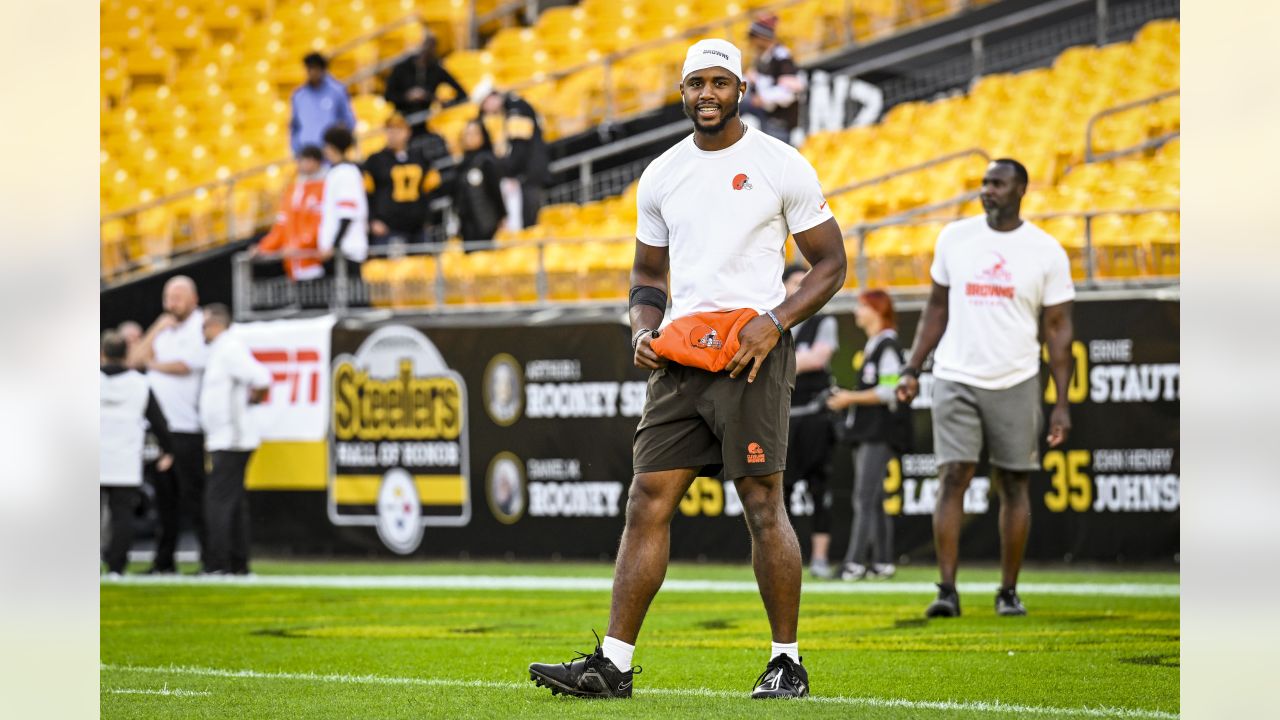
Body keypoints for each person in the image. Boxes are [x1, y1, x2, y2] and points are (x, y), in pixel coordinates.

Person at [528, 38, 846, 700]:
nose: (707, 93)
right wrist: (641, 327)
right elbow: (647, 275)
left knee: (761, 502)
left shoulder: (779, 163)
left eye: (719, 82)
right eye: (695, 82)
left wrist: (777, 320)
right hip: (678, 357)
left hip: (752, 351)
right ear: (681, 93)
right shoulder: (661, 173)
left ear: (741, 90)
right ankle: (611, 665)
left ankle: (786, 661)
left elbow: (832, 265)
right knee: (646, 498)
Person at [897, 159, 1076, 618]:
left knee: (1014, 483)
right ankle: (947, 590)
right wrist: (912, 367)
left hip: (1016, 377)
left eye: (998, 184)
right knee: (952, 477)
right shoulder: (955, 238)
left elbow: (1058, 331)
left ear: (1021, 190)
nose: (987, 190)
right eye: (984, 183)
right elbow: (935, 309)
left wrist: (1059, 404)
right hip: (956, 374)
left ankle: (1008, 591)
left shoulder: (1046, 251)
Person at [127, 276, 209, 573]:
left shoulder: (200, 326)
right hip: (160, 430)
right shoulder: (164, 329)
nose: (172, 303)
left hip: (187, 427)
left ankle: (212, 559)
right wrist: (157, 329)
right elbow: (134, 360)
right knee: (165, 501)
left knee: (194, 497)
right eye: (168, 297)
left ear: (193, 298)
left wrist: (153, 363)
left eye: (178, 296)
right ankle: (164, 560)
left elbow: (185, 365)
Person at [827, 289, 910, 581]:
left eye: (862, 306)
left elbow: (889, 392)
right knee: (873, 499)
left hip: (879, 432)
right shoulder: (877, 343)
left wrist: (851, 398)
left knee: (863, 498)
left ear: (876, 310)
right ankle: (883, 561)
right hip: (869, 432)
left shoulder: (887, 345)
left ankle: (854, 563)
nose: (857, 312)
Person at [198, 304, 272, 576]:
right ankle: (238, 564)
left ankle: (219, 564)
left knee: (217, 501)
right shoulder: (220, 350)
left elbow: (262, 377)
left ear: (216, 324)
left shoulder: (229, 347)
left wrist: (253, 400)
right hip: (224, 438)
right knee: (233, 502)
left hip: (232, 439)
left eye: (204, 325)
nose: (202, 332)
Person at [779, 264, 839, 578]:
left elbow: (819, 358)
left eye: (806, 283)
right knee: (780, 492)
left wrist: (779, 361)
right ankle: (783, 561)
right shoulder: (774, 320)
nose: (800, 289)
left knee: (820, 490)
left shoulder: (823, 320)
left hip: (814, 419)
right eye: (794, 283)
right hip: (783, 418)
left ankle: (819, 559)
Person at [101, 331, 174, 577]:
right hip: (125, 460)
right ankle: (116, 567)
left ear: (102, 354)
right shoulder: (140, 384)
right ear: (126, 354)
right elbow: (158, 422)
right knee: (123, 516)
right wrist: (169, 449)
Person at [473, 79, 551, 230]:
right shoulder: (512, 108)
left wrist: (505, 167)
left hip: (529, 175)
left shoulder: (516, 109)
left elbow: (520, 147)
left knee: (528, 224)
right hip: (528, 175)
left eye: (484, 106)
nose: (487, 112)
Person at [362, 114, 444, 248]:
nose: (393, 134)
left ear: (408, 132)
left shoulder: (420, 158)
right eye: (390, 130)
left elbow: (431, 191)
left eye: (398, 130)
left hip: (417, 226)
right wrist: (372, 220)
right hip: (388, 227)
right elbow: (366, 194)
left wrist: (428, 218)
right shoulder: (375, 160)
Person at [253, 145, 327, 281]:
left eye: (304, 160)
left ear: (315, 162)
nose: (299, 164)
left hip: (314, 266)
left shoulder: (324, 188)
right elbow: (281, 226)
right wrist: (263, 247)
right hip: (292, 268)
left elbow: (319, 225)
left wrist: (300, 246)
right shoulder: (292, 190)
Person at [318, 126, 369, 301]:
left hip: (345, 250)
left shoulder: (346, 173)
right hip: (341, 250)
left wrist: (334, 245)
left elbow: (347, 213)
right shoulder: (338, 172)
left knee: (353, 301)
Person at [743, 13, 806, 145]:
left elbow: (790, 92)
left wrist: (763, 98)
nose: (752, 42)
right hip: (769, 120)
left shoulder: (781, 57)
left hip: (781, 123)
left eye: (754, 37)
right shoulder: (764, 58)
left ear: (763, 37)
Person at [383, 31, 467, 122]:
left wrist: (439, 101)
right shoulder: (401, 68)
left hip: (425, 120)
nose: (427, 50)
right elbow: (388, 96)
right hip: (403, 118)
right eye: (425, 45)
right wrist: (407, 97)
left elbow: (462, 94)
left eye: (431, 46)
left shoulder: (436, 70)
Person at [290, 52, 356, 157]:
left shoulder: (337, 91)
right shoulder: (299, 95)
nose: (311, 72)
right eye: (309, 69)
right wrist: (296, 149)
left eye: (314, 68)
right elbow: (295, 126)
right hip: (307, 156)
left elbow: (348, 121)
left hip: (330, 156)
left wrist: (338, 149)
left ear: (323, 70)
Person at [450, 119, 506, 243]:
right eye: (467, 134)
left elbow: (495, 191)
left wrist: (502, 216)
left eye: (474, 133)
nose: (470, 138)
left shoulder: (486, 161)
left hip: (487, 223)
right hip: (466, 224)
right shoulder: (461, 163)